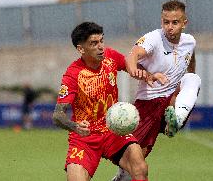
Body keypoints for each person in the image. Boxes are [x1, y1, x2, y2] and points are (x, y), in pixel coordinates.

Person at [111, 0, 201, 181]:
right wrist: (135, 69)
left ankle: (176, 119)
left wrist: (185, 87)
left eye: (175, 22)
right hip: (148, 104)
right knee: (135, 163)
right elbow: (132, 56)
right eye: (165, 22)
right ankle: (120, 178)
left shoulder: (190, 42)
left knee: (194, 78)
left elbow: (191, 63)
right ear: (161, 21)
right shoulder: (153, 38)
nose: (169, 27)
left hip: (170, 102)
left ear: (184, 23)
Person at [52, 22, 149, 181]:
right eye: (94, 43)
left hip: (113, 131)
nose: (101, 47)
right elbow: (57, 115)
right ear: (81, 49)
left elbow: (132, 67)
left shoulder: (110, 57)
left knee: (140, 167)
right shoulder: (72, 75)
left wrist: (150, 75)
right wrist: (74, 126)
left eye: (101, 41)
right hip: (85, 139)